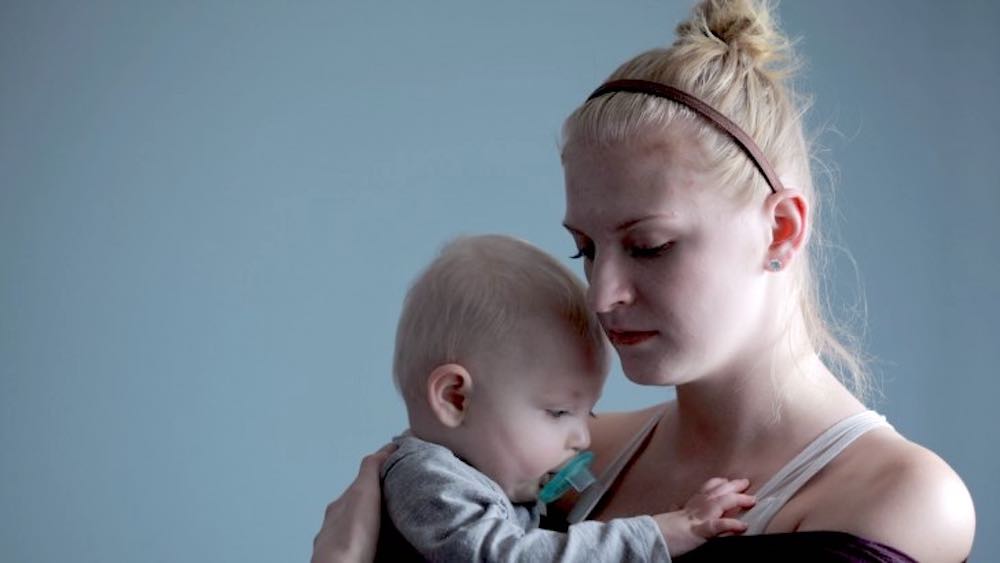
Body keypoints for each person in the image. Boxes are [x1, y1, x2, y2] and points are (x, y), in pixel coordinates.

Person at [312, 0, 976, 561]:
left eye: (649, 246)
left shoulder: (900, 496)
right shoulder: (565, 450)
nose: (602, 296)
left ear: (779, 231)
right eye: (585, 250)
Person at [376, 234, 755, 561]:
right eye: (558, 412)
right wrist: (664, 532)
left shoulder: (481, 481)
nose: (583, 438)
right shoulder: (429, 483)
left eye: (586, 413)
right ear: (456, 398)